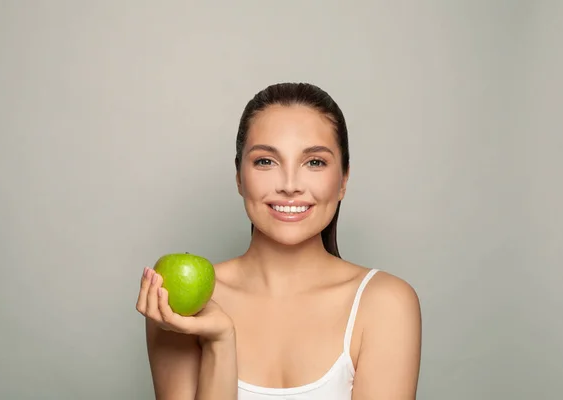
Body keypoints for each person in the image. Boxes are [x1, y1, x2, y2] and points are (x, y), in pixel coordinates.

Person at [136, 82, 422, 399]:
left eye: (314, 162)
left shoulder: (385, 303)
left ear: (343, 181)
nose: (289, 185)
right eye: (266, 161)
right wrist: (220, 342)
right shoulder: (177, 302)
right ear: (239, 178)